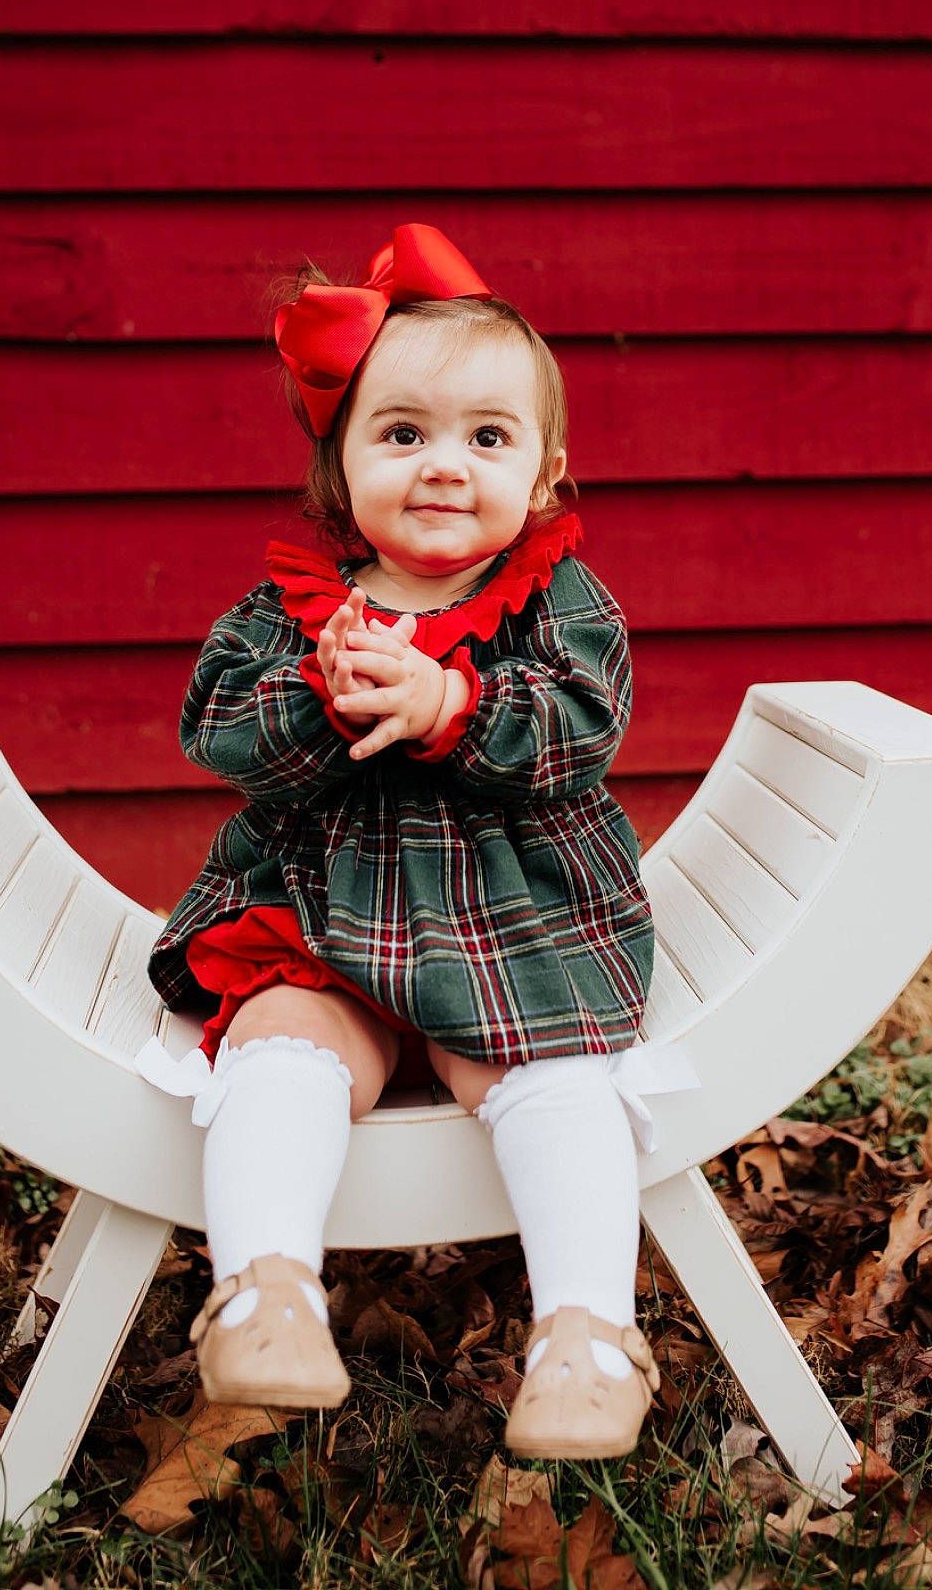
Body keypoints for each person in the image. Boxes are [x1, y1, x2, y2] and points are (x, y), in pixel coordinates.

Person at [135, 222, 695, 1459]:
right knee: (282, 1035)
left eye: (485, 438)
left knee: (548, 1071)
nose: (444, 466)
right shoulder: (294, 607)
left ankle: (586, 1337)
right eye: (403, 433)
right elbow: (213, 731)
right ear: (340, 469)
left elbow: (581, 732)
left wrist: (453, 705)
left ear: (544, 474)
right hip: (329, 912)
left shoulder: (558, 601)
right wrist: (316, 701)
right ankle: (265, 1290)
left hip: (510, 918)